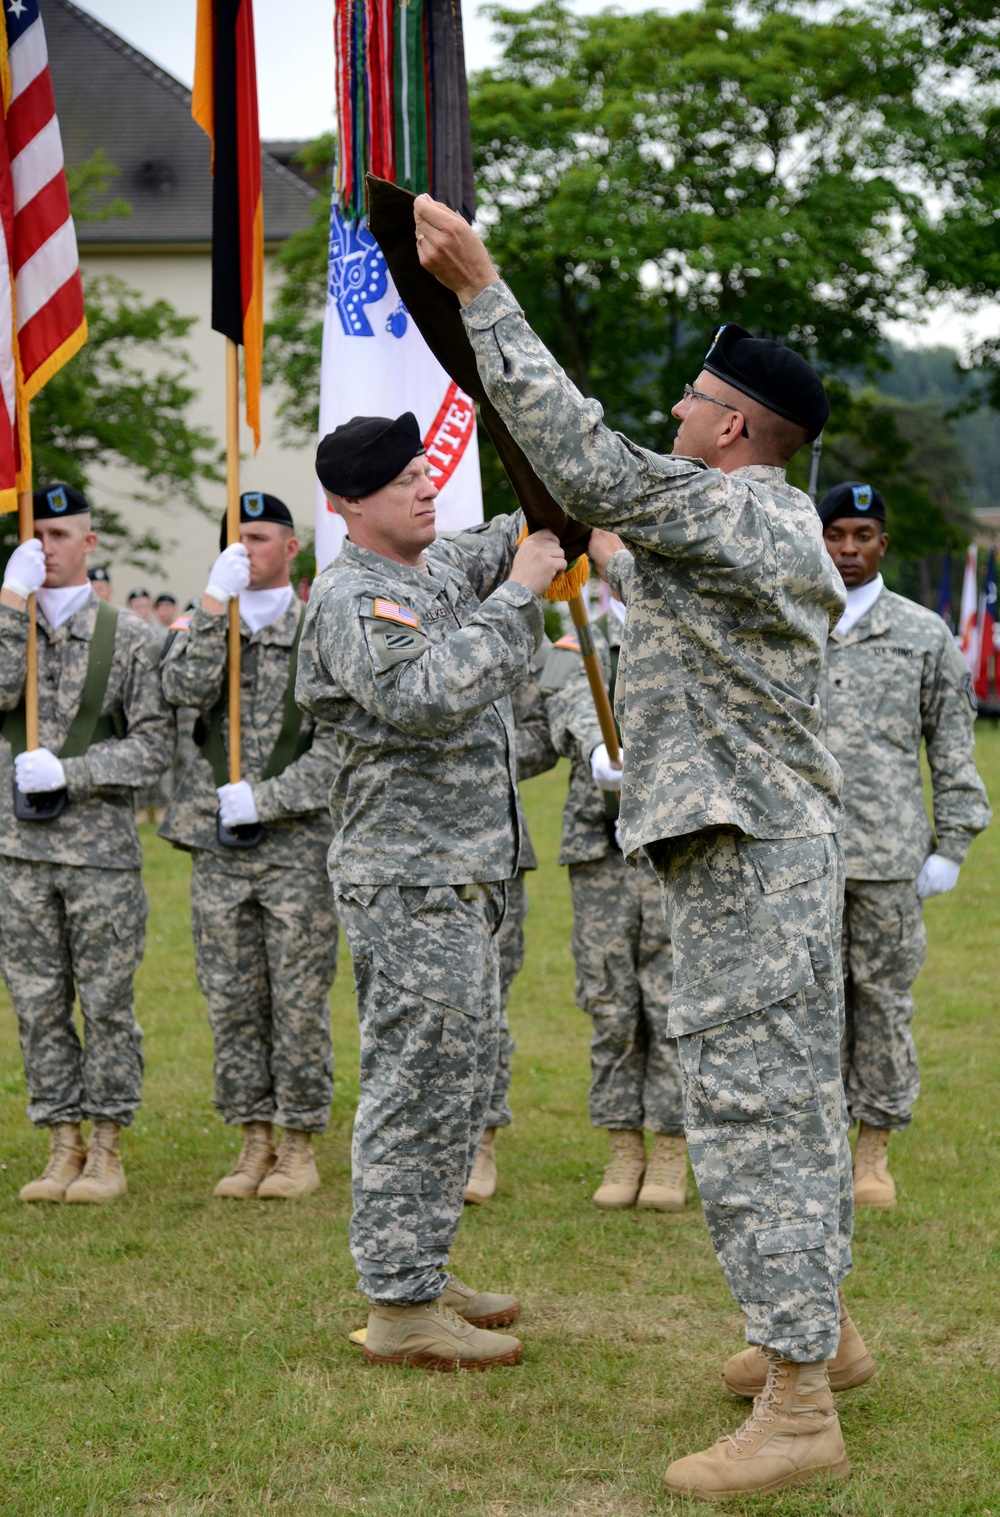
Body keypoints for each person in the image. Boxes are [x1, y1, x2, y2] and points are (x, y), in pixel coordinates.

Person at [414, 195, 866, 1497]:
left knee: (750, 1119)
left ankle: (795, 1408)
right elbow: (608, 521)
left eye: (689, 404)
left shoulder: (749, 515)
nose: (673, 414)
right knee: (781, 1107)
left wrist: (486, 289)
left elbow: (599, 468)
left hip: (749, 868)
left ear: (735, 429)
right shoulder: (740, 533)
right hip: (743, 854)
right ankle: (822, 1339)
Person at [297, 411, 568, 1370]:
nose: (426, 488)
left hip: (463, 872)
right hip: (407, 880)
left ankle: (420, 1266)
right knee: (416, 1084)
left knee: (457, 1079)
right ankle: (400, 1305)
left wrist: (544, 481)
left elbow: (506, 531)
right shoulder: (352, 596)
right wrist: (524, 593)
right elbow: (423, 696)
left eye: (425, 470)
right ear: (348, 506)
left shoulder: (426, 570)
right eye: (403, 481)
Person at [159, 492, 340, 1200]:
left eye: (259, 538)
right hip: (218, 847)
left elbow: (336, 752)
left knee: (296, 998)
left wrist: (267, 797)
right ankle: (252, 1136)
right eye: (234, 540)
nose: (246, 550)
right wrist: (213, 603)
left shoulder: (319, 631)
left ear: (291, 548)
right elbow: (181, 686)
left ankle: (297, 1143)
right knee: (230, 996)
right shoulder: (209, 622)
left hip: (295, 846)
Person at [816, 482, 991, 1207]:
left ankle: (873, 1151)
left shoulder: (922, 635)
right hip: (797, 855)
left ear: (885, 542)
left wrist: (952, 841)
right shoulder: (793, 620)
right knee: (808, 1005)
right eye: (836, 535)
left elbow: (953, 747)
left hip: (888, 860)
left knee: (882, 1002)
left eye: (863, 535)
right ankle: (816, 1146)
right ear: (817, 541)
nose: (850, 549)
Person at [0, 483, 171, 1203]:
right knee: (37, 1002)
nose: (46, 546)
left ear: (90, 542)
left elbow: (155, 748)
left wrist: (73, 771)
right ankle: (60, 1141)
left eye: (60, 533)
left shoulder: (129, 637)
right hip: (18, 854)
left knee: (104, 1002)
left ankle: (106, 1146)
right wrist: (11, 607)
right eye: (34, 534)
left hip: (98, 852)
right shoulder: (6, 622)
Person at [543, 595, 687, 1211]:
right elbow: (561, 698)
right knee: (609, 999)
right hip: (599, 849)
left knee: (672, 998)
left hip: (676, 841)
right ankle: (623, 1143)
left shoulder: (688, 623)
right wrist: (596, 743)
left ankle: (672, 1148)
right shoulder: (582, 630)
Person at [465, 641, 558, 1204]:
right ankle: (428, 1141)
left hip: (495, 845)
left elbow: (540, 735)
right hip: (412, 846)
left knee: (488, 1003)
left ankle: (481, 1141)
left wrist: (470, 755)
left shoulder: (515, 633)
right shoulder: (407, 622)